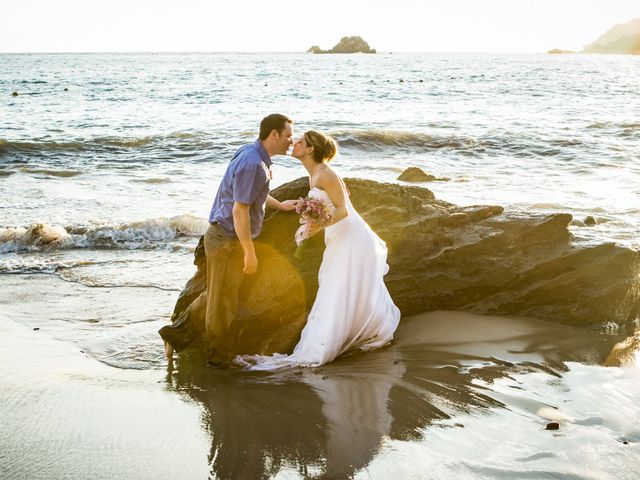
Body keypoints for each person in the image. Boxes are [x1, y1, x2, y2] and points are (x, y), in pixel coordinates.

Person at [235, 131, 400, 370]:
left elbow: (343, 209)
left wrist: (316, 225)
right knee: (336, 286)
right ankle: (349, 331)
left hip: (351, 236)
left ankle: (332, 341)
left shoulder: (326, 174)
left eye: (300, 142)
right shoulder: (315, 175)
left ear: (310, 149)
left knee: (338, 287)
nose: (294, 143)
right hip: (338, 236)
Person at [159, 114, 297, 366]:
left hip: (228, 237)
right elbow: (239, 209)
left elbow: (254, 194)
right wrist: (249, 251)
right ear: (274, 135)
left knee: (219, 297)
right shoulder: (253, 163)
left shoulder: (255, 156)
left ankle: (173, 336)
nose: (291, 141)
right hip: (226, 240)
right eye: (288, 135)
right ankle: (218, 361)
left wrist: (281, 205)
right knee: (220, 307)